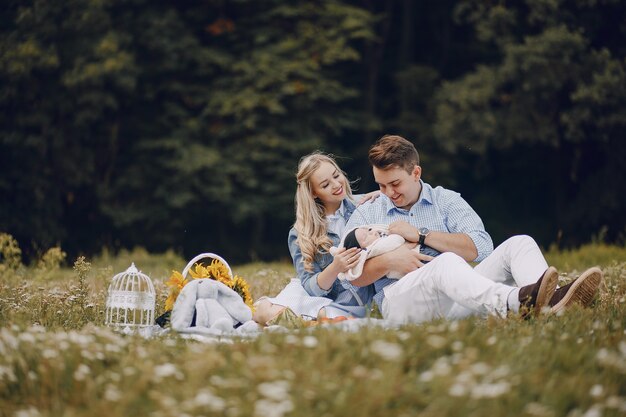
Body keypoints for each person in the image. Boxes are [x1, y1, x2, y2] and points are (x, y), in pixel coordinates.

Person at [344, 134, 603, 324]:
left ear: (416, 173)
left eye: (395, 184)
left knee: (520, 243)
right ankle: (525, 302)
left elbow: (480, 247)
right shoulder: (369, 211)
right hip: (402, 302)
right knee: (445, 263)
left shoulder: (446, 200)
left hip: (458, 297)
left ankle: (548, 307)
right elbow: (352, 275)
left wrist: (422, 236)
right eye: (381, 185)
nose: (389, 193)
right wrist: (390, 259)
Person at [252, 152, 377, 326]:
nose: (336, 185)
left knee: (320, 314)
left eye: (336, 175)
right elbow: (310, 286)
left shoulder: (365, 206)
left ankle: (311, 320)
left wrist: (383, 193)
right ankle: (313, 321)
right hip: (321, 295)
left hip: (352, 299)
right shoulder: (300, 233)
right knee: (262, 310)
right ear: (314, 193)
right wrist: (335, 268)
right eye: (325, 184)